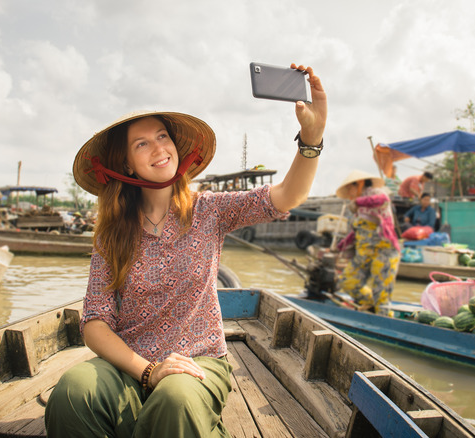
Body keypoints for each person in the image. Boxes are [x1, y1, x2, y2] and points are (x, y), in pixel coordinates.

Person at [44, 64, 326, 437]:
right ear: (126, 162)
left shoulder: (209, 210)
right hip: (130, 366)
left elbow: (287, 196)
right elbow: (95, 321)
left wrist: (312, 138)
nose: (159, 148)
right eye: (142, 143)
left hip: (197, 363)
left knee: (175, 399)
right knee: (72, 393)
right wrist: (147, 370)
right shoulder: (111, 233)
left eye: (163, 136)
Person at [334, 170, 400, 316]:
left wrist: (357, 202)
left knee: (381, 292)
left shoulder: (375, 192)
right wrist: (338, 248)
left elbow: (383, 199)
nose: (350, 192)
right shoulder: (359, 209)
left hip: (384, 251)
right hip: (364, 254)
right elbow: (356, 232)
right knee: (348, 281)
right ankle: (371, 305)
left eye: (350, 188)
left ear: (360, 183)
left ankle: (383, 316)